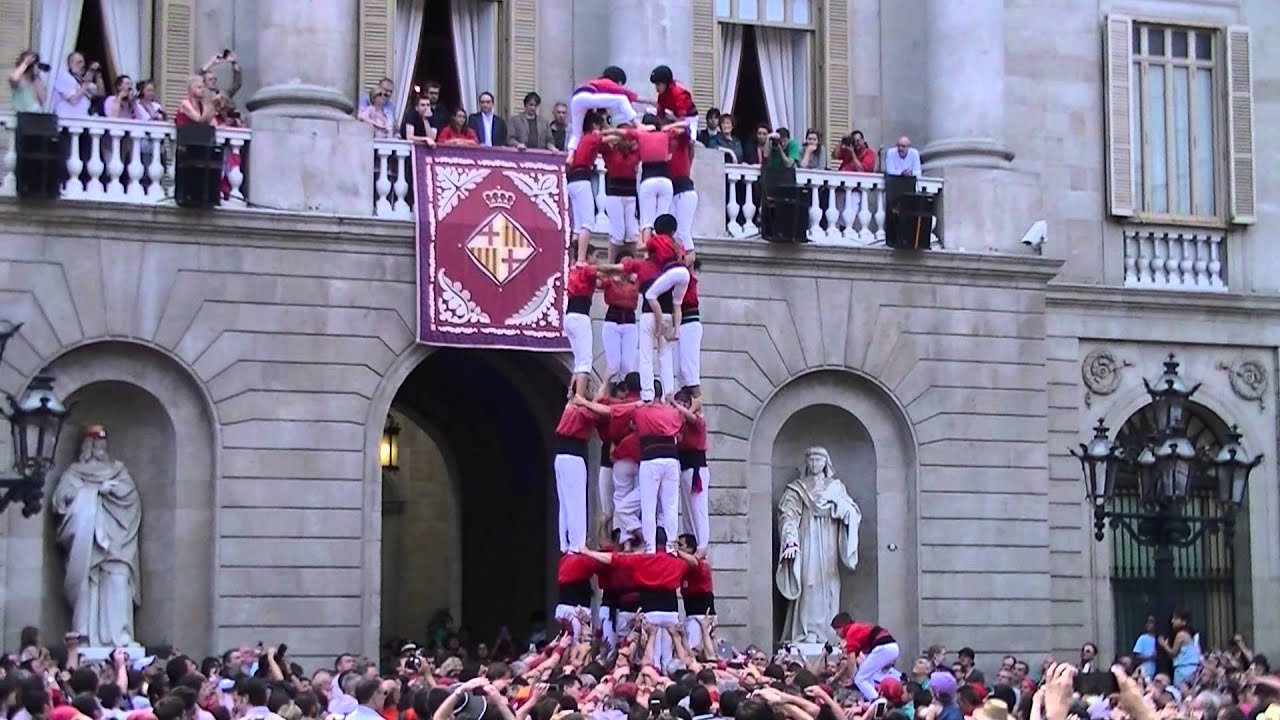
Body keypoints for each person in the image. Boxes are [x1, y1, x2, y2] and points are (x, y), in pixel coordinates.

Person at [632, 389, 683, 554]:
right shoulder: (672, 412)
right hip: (671, 458)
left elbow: (633, 425)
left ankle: (650, 547)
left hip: (650, 457)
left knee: (649, 506)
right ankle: (671, 547)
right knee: (671, 506)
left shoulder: (640, 411)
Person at [551, 387, 599, 553]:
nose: (593, 390)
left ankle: (565, 543)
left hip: (561, 457)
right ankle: (577, 545)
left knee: (565, 503)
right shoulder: (580, 410)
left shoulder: (569, 407)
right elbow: (601, 413)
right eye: (589, 388)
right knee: (576, 502)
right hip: (573, 456)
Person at [567, 66, 647, 154]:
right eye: (621, 84)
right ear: (619, 81)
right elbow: (630, 95)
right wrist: (653, 102)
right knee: (622, 99)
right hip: (586, 96)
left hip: (575, 100)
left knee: (576, 134)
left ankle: (570, 155)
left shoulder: (595, 84)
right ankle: (638, 124)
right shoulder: (606, 82)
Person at [565, 112, 606, 264]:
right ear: (595, 125)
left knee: (577, 225)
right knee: (588, 222)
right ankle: (581, 259)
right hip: (582, 179)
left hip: (572, 181)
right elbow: (609, 138)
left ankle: (571, 259)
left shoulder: (578, 139)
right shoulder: (591, 137)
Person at [831, 613, 900, 701]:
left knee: (859, 679)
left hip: (883, 647)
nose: (837, 634)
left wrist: (852, 678)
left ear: (842, 627)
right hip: (891, 647)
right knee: (867, 676)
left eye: (837, 631)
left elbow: (851, 659)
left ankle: (876, 701)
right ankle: (872, 697)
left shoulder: (851, 633)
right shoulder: (858, 628)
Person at [673, 389, 708, 553]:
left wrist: (674, 404)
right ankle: (690, 542)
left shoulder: (697, 420)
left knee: (698, 508)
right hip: (684, 468)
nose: (679, 407)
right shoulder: (678, 423)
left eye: (683, 404)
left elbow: (692, 417)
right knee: (687, 510)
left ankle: (702, 545)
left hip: (696, 469)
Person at [600, 131, 641, 260]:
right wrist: (618, 135)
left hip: (630, 196)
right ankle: (611, 263)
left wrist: (627, 136)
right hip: (614, 196)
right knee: (617, 233)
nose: (628, 142)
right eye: (625, 140)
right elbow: (601, 141)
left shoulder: (635, 154)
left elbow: (640, 137)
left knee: (632, 234)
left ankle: (632, 264)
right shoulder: (611, 153)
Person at [600, 251, 639, 381]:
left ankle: (625, 392)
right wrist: (613, 272)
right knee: (613, 365)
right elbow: (597, 277)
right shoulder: (610, 281)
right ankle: (607, 391)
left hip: (629, 323)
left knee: (628, 365)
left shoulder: (636, 281)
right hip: (613, 321)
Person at [563, 260, 599, 397]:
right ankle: (579, 395)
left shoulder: (571, 271)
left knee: (578, 361)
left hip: (569, 317)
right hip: (580, 316)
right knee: (585, 361)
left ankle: (571, 392)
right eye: (594, 257)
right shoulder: (585, 270)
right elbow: (600, 272)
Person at [675, 533, 714, 646]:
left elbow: (694, 562)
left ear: (690, 548)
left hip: (701, 616)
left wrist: (675, 551)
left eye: (680, 545)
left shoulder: (701, 566)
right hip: (691, 615)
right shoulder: (684, 568)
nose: (678, 547)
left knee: (693, 649)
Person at [667, 121, 697, 258]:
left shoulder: (682, 141)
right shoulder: (664, 141)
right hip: (673, 191)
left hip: (684, 191)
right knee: (675, 233)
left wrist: (674, 119)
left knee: (683, 232)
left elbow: (686, 128)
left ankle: (689, 269)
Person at [674, 259, 702, 397]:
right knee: (681, 370)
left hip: (689, 322)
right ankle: (689, 402)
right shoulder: (678, 278)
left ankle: (699, 404)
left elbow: (691, 256)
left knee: (688, 367)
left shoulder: (687, 277)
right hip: (683, 323)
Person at [650, 65, 698, 137]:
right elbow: (661, 116)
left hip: (689, 118)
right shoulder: (662, 95)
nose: (656, 88)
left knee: (690, 140)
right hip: (673, 116)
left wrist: (671, 123)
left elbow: (683, 122)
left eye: (658, 84)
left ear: (666, 83)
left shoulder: (679, 95)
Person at [1160, 610, 1202, 686]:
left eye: (1175, 619)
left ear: (1184, 621)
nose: (1172, 621)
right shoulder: (1190, 634)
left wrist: (1164, 644)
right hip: (1192, 668)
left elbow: (1173, 653)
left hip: (1184, 668)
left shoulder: (1181, 635)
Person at [1132, 614, 1158, 680]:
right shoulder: (1143, 638)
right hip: (1145, 672)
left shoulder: (1159, 639)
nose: (1149, 624)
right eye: (1147, 622)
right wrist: (1150, 657)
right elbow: (1136, 656)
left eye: (1151, 622)